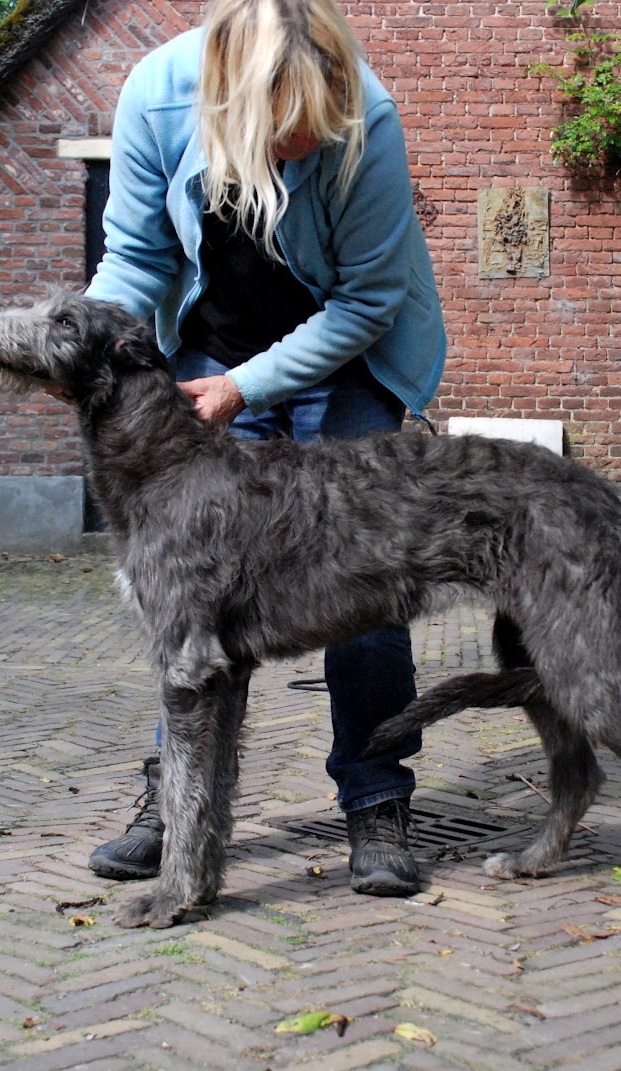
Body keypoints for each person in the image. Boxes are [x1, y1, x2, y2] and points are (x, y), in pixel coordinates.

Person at [81, 0, 447, 896]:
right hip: (209, 354)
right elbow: (133, 259)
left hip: (348, 357)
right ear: (229, 102)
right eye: (283, 135)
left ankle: (375, 800)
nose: (301, 151)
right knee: (194, 595)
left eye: (315, 134)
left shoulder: (370, 116)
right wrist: (87, 350)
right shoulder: (156, 97)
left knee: (361, 584)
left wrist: (251, 386)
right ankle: (174, 805)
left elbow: (367, 302)